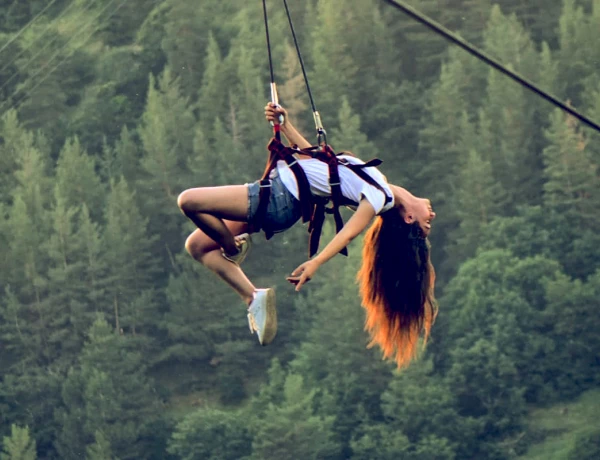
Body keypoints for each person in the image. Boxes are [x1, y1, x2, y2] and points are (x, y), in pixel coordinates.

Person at [177, 103, 437, 368]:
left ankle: (232, 249)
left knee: (188, 201)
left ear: (409, 218)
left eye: (426, 225)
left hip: (279, 198)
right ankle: (253, 297)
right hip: (278, 194)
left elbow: (348, 234)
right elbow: (318, 163)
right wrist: (285, 124)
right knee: (198, 246)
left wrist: (316, 262)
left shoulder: (379, 196)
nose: (433, 217)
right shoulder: (376, 182)